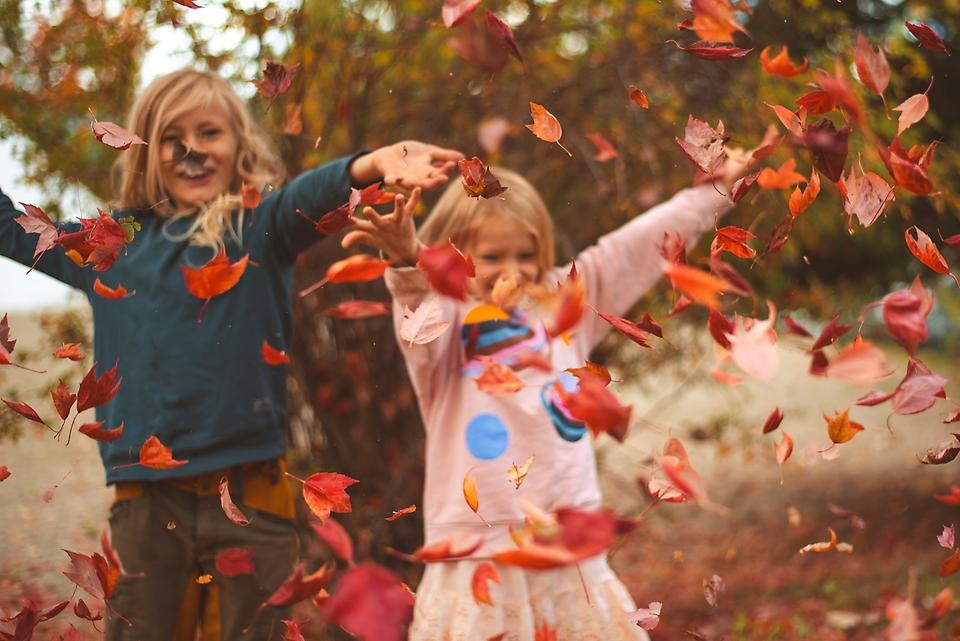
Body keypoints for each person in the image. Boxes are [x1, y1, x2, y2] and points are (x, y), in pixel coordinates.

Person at [0, 68, 461, 641]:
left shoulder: (256, 230)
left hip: (252, 492)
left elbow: (308, 194)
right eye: (173, 138)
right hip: (146, 502)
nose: (192, 150)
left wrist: (375, 162)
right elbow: (12, 229)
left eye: (210, 133)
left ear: (240, 148)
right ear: (143, 150)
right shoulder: (111, 244)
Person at [342, 150, 754, 639]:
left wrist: (713, 193)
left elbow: (635, 247)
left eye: (526, 254)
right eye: (491, 257)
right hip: (478, 548)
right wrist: (408, 260)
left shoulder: (564, 301)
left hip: (566, 544)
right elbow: (416, 309)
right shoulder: (446, 321)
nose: (511, 270)